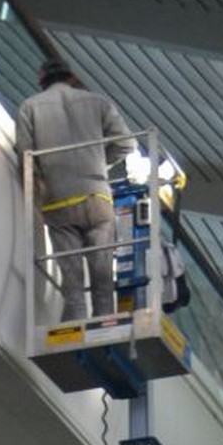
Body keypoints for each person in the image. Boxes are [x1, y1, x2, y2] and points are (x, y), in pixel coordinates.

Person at [18, 58, 134, 326]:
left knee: (72, 282)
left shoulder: (29, 107)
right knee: (102, 274)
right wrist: (99, 162)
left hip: (57, 201)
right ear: (71, 78)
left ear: (41, 81)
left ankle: (75, 324)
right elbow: (127, 144)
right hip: (96, 195)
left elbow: (25, 156)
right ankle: (104, 326)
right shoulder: (98, 102)